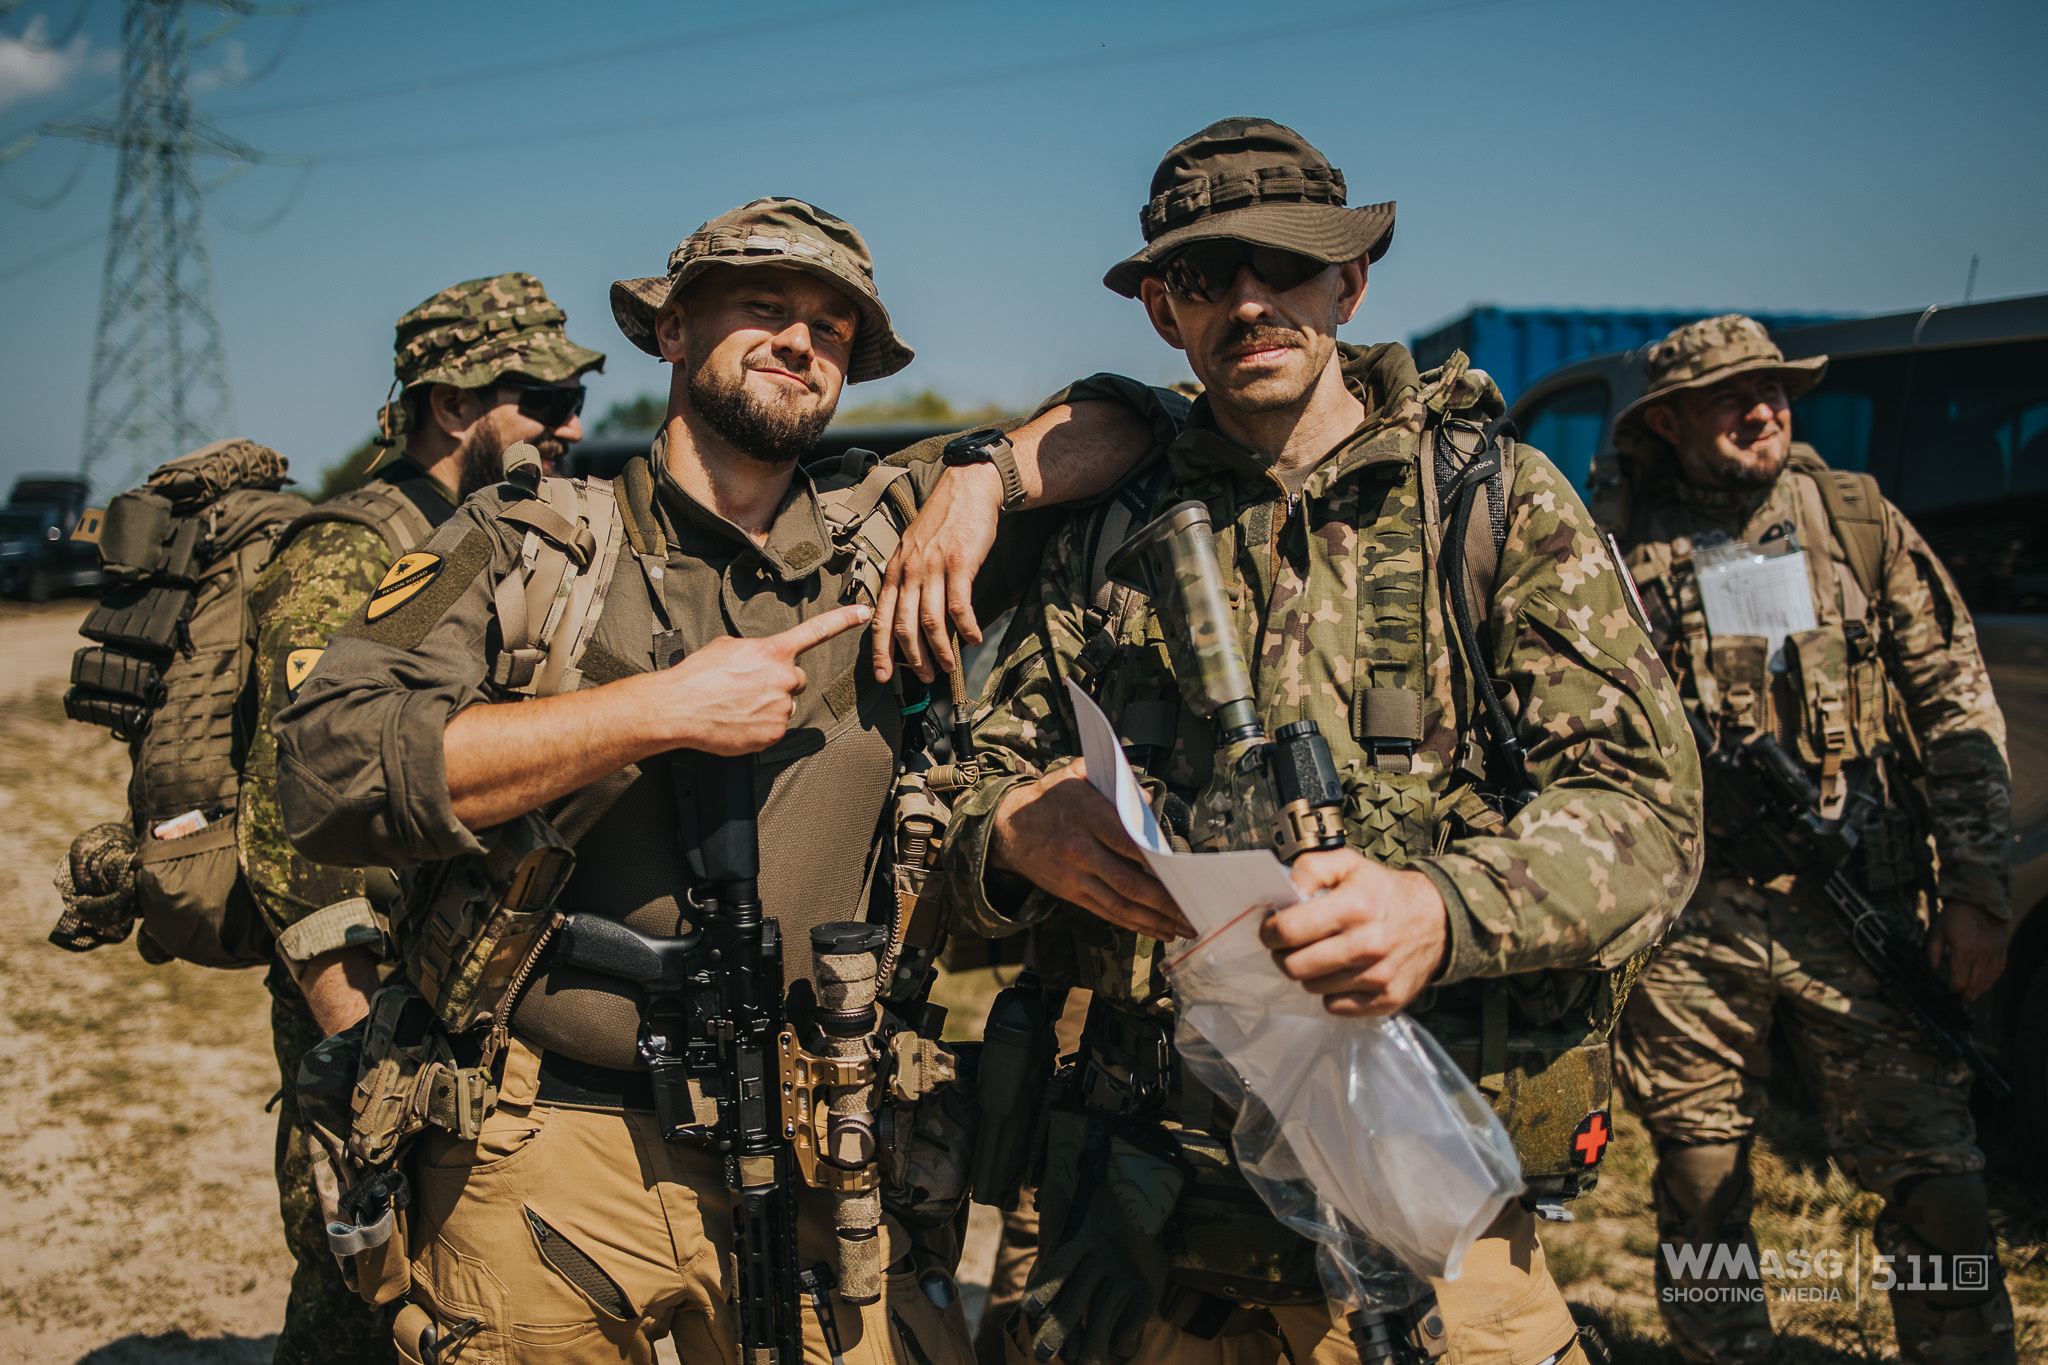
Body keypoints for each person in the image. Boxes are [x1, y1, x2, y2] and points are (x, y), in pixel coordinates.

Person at [272, 198, 1169, 1365]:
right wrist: (650, 712)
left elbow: (1145, 418)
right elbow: (325, 769)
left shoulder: (890, 533)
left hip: (821, 1146)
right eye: (763, 308)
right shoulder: (529, 545)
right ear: (672, 333)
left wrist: (982, 477)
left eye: (832, 327)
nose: (801, 341)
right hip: (547, 1145)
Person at [935, 117, 1704, 1365]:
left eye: (1285, 266)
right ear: (1161, 315)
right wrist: (1016, 830)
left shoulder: (1491, 503)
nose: (1248, 302)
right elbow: (973, 777)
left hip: (1417, 1205)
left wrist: (1438, 909)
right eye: (1204, 277)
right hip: (1139, 1220)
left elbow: (1649, 816)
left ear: (1348, 283)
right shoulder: (1100, 534)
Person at [1604, 315, 2016, 1365]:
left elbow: (1953, 703)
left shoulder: (1853, 520)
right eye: (1730, 397)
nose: (1763, 411)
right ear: (1666, 419)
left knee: (1944, 1189)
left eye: (1775, 391)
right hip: (1692, 919)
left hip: (1861, 902)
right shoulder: (1613, 546)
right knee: (1700, 1184)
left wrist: (1975, 888)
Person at [239, 271, 602, 1365]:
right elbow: (285, 814)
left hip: (458, 986)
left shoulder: (494, 534)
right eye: (541, 398)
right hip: (369, 996)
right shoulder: (352, 550)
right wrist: (357, 1039)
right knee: (360, 1286)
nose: (572, 423)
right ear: (454, 406)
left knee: (461, 1297)